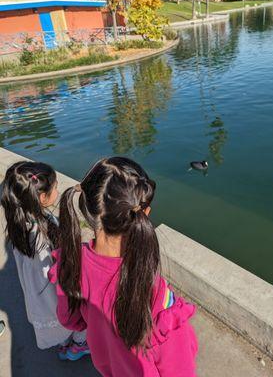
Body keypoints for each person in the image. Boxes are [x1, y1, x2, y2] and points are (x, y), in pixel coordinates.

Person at [49, 156, 198, 376]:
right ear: (144, 214)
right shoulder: (156, 300)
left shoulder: (70, 262)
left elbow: (71, 319)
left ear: (87, 207)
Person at [1, 161, 89, 360]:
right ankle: (78, 347)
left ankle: (64, 344)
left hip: (37, 296)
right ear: (42, 197)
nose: (58, 189)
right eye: (56, 186)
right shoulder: (39, 242)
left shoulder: (20, 220)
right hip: (51, 298)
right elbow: (52, 276)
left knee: (59, 330)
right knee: (79, 316)